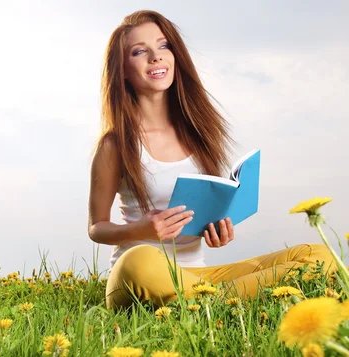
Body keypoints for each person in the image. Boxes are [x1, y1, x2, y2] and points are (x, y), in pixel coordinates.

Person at [87, 10, 337, 310]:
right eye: (140, 52)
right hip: (141, 275)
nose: (156, 57)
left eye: (163, 46)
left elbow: (207, 212)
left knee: (317, 254)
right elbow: (96, 227)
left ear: (175, 56)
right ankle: (234, 298)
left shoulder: (200, 134)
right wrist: (140, 230)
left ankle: (208, 300)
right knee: (137, 260)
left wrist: (218, 230)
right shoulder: (116, 144)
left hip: (200, 275)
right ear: (123, 70)